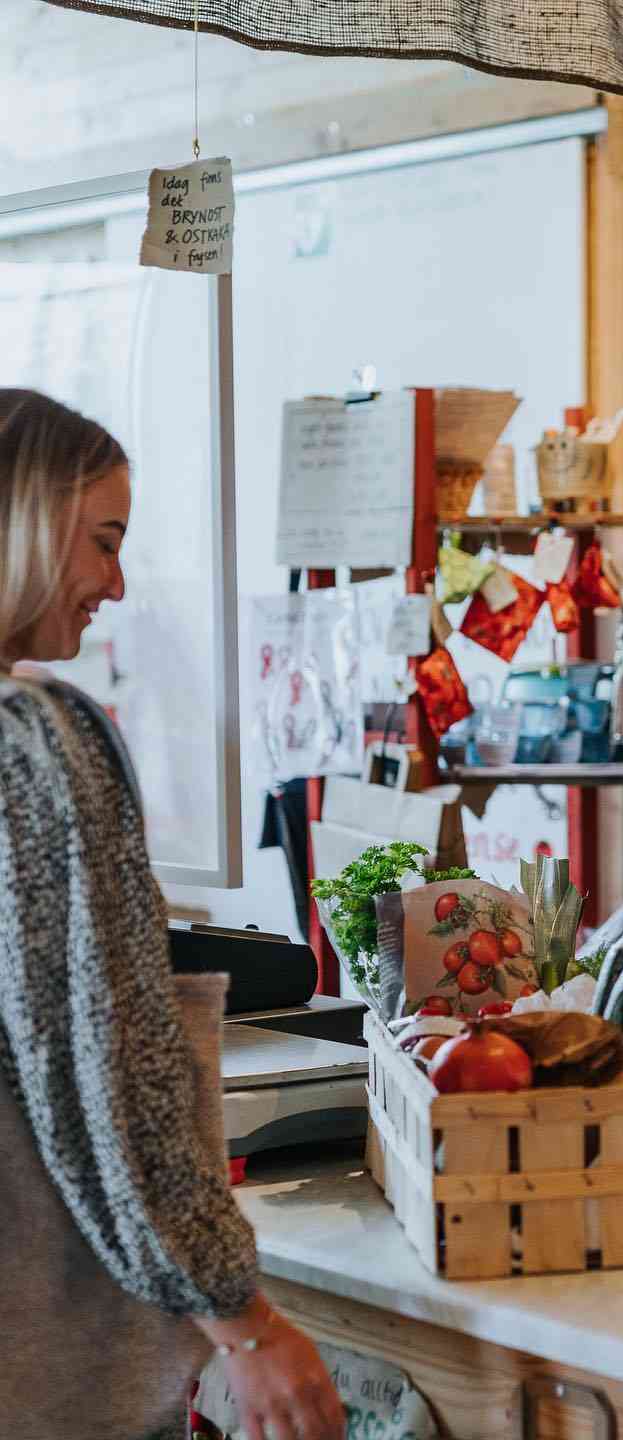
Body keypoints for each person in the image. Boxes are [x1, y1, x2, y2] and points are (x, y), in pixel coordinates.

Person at [0, 389, 345, 1440]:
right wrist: (240, 1317)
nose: (115, 581)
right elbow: (111, 1062)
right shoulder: (43, 745)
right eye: (102, 542)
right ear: (19, 523)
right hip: (51, 1365)